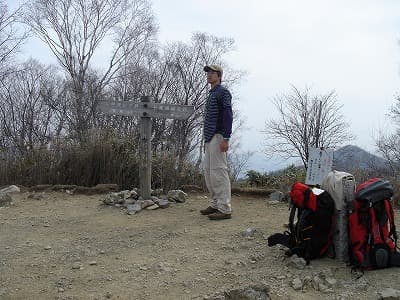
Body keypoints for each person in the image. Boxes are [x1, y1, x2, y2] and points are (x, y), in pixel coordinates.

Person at [200, 64, 233, 220]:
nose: (209, 75)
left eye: (212, 73)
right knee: (208, 171)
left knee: (219, 171)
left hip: (218, 136)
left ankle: (225, 209)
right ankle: (215, 204)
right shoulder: (212, 93)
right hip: (209, 138)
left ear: (219, 75)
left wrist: (225, 138)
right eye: (208, 73)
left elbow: (228, 115)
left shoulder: (223, 92)